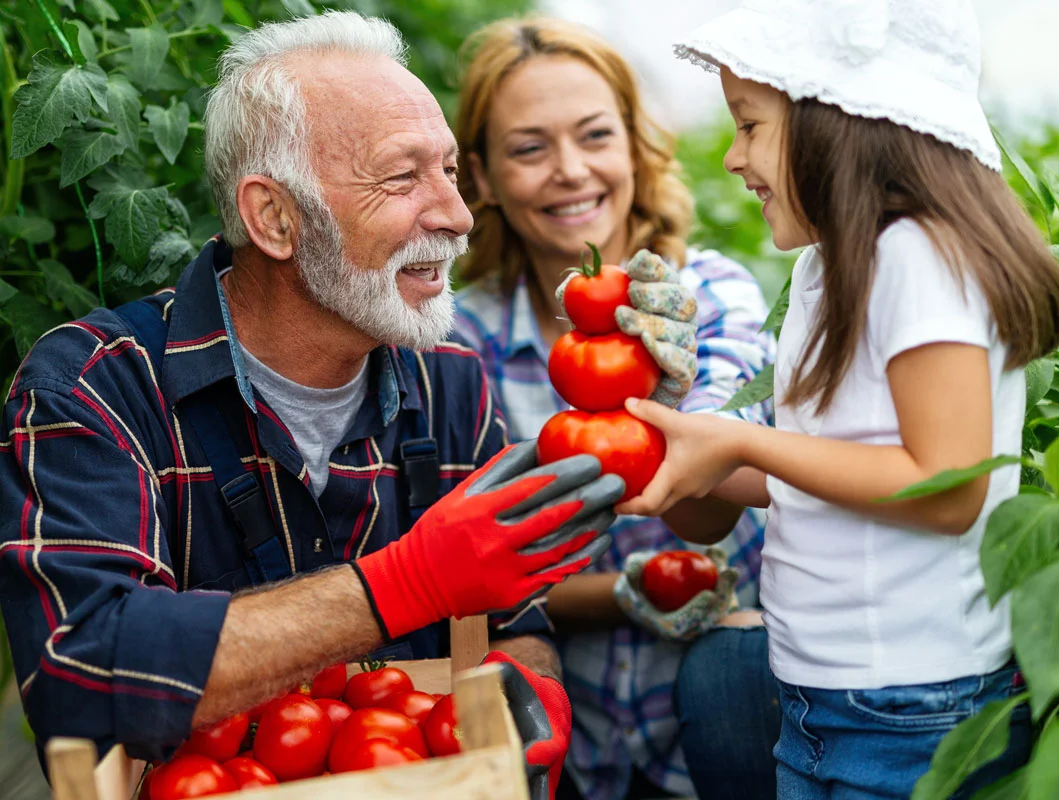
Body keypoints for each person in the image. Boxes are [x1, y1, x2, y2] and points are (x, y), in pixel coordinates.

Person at [0, 13, 670, 799]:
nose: (456, 215)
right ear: (275, 218)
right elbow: (81, 678)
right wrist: (402, 584)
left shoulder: (448, 380)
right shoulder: (94, 387)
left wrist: (530, 692)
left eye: (452, 172)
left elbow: (514, 623)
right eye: (401, 177)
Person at [615, 0, 1059, 798]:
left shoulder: (920, 256)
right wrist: (688, 443)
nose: (731, 157)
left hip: (910, 708)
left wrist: (747, 442)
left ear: (843, 122)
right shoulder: (828, 270)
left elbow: (949, 485)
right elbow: (828, 472)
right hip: (826, 698)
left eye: (750, 125)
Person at [451, 16, 781, 800]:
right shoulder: (459, 343)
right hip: (570, 740)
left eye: (595, 136)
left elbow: (714, 517)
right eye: (529, 149)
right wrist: (625, 595)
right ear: (485, 177)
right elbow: (462, 583)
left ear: (635, 146)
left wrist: (672, 393)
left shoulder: (713, 296)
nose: (570, 171)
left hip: (721, 724)